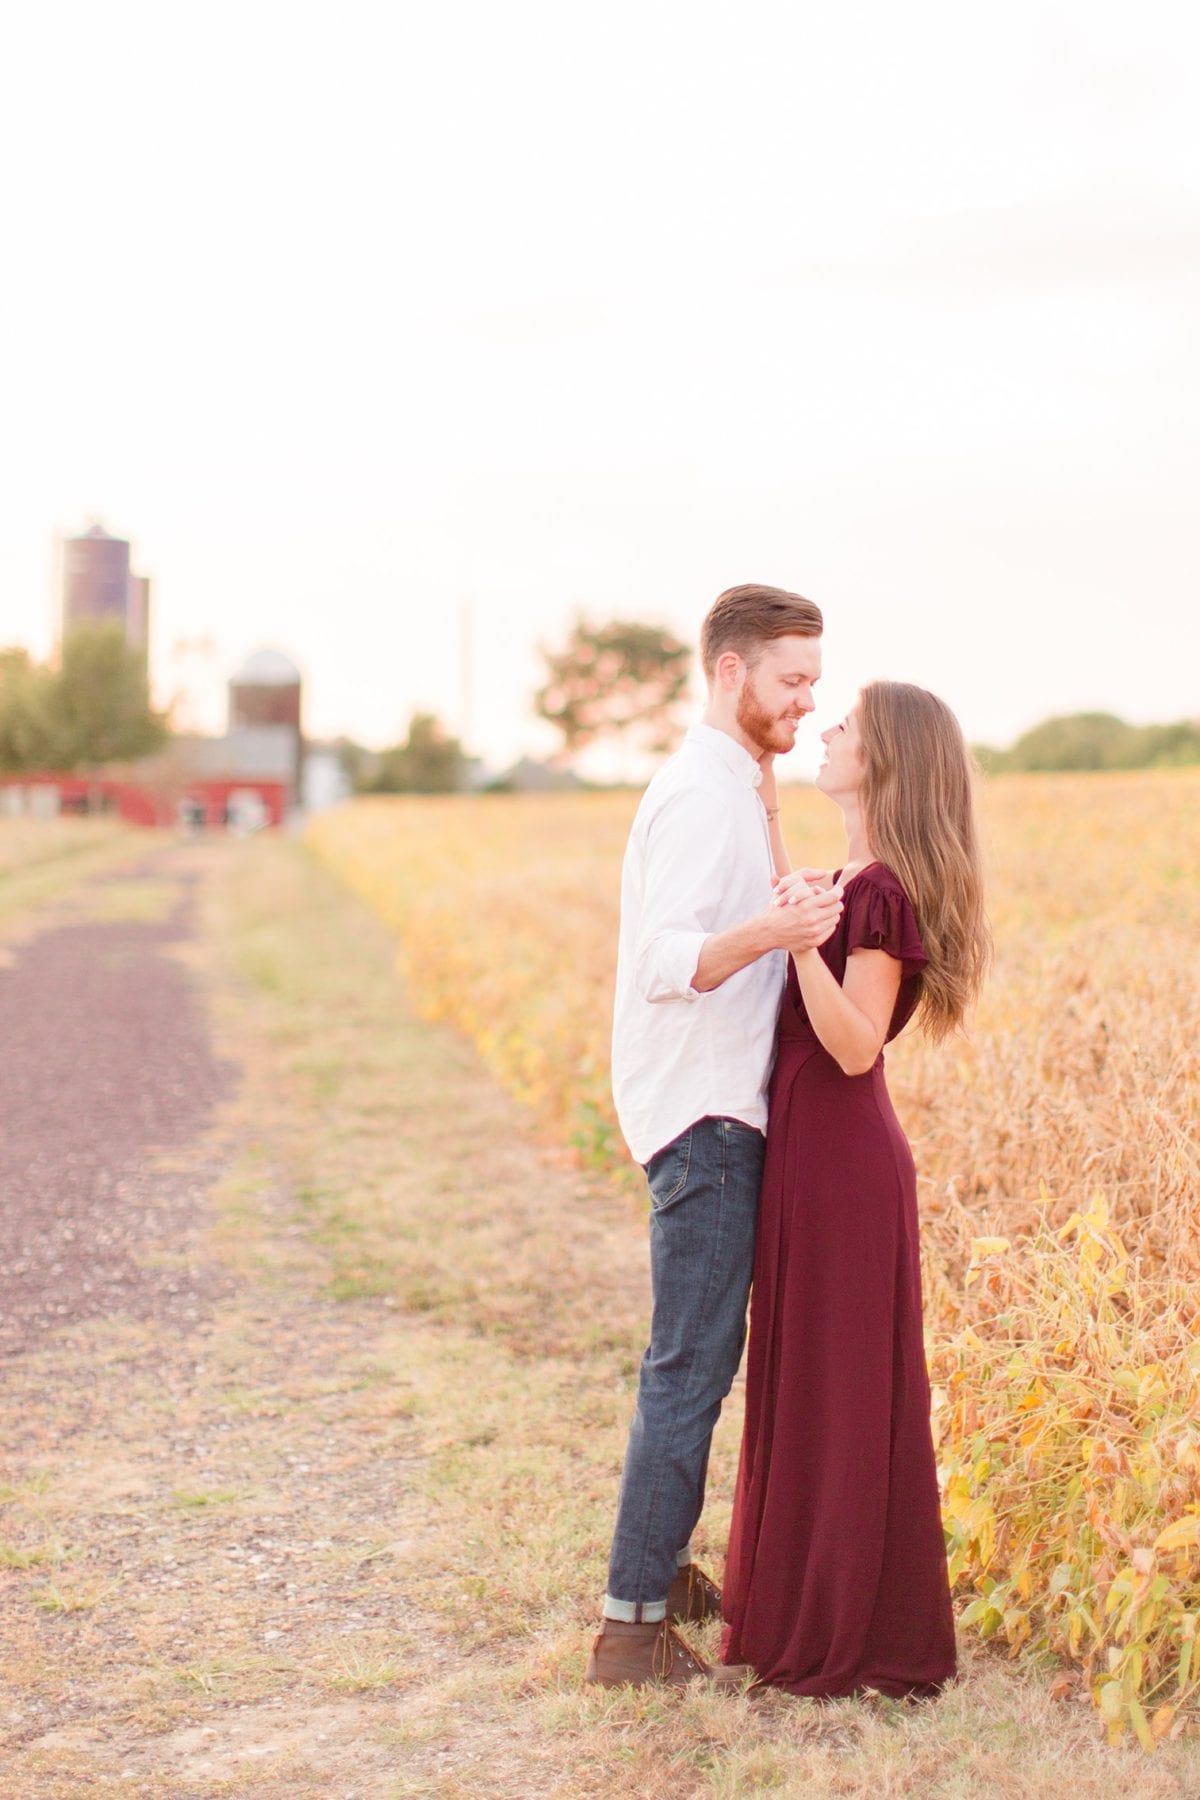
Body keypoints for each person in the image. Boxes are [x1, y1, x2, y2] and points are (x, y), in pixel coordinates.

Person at [585, 583, 845, 1690]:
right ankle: (631, 1631)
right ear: (731, 672)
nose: (805, 700)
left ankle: (665, 1567)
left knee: (698, 1364)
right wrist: (772, 932)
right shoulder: (699, 792)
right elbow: (661, 962)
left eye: (814, 684)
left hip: (718, 1110)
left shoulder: (740, 785)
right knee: (687, 1371)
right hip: (702, 1116)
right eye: (791, 681)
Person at [719, 681, 991, 1699]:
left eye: (847, 726)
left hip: (844, 1163)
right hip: (808, 1157)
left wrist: (797, 951)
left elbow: (853, 1046)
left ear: (885, 760)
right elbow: (798, 909)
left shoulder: (882, 893)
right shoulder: (848, 874)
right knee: (806, 1387)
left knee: (840, 1397)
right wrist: (761, 799)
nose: (828, 731)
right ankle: (804, 1612)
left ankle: (847, 1635)